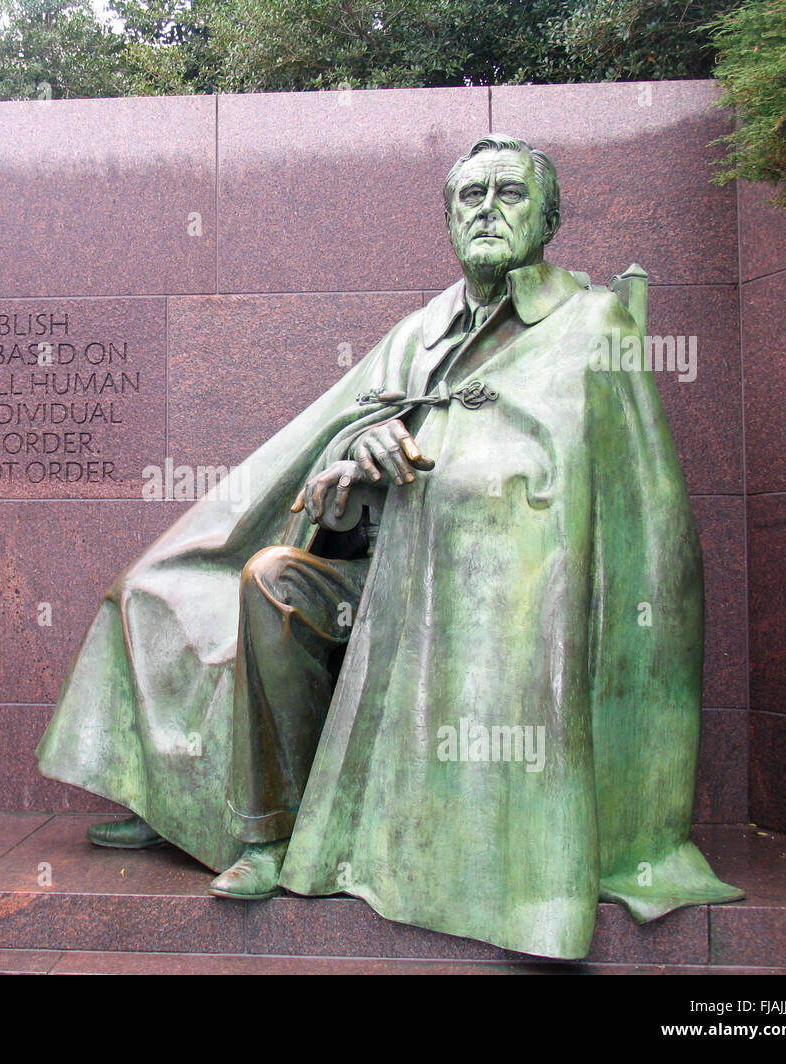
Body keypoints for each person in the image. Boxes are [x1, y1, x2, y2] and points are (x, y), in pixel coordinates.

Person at [36, 135, 742, 959]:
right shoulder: (419, 333)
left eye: (509, 195)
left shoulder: (593, 325)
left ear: (548, 218)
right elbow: (330, 456)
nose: (485, 210)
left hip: (492, 607)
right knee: (255, 579)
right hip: (372, 593)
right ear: (447, 221)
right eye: (468, 197)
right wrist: (352, 464)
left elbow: (639, 519)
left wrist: (466, 494)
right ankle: (260, 832)